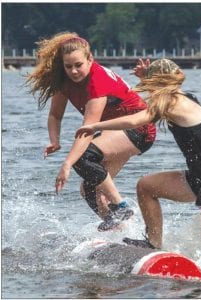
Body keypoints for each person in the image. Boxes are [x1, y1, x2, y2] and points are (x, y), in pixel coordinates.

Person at [75, 58, 201, 262]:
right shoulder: (182, 97)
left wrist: (95, 126)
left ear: (158, 84)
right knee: (146, 186)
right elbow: (161, 93)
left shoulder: (172, 103)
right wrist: (147, 76)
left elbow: (135, 120)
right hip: (197, 179)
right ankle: (153, 242)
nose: (148, 91)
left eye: (151, 85)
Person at [26, 32, 156, 231]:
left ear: (90, 59)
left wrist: (67, 164)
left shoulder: (98, 81)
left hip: (138, 127)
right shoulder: (63, 81)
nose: (74, 71)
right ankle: (119, 232)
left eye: (78, 65)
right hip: (111, 131)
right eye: (68, 66)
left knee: (82, 158)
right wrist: (55, 140)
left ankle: (121, 207)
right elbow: (55, 116)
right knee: (89, 189)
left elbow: (87, 130)